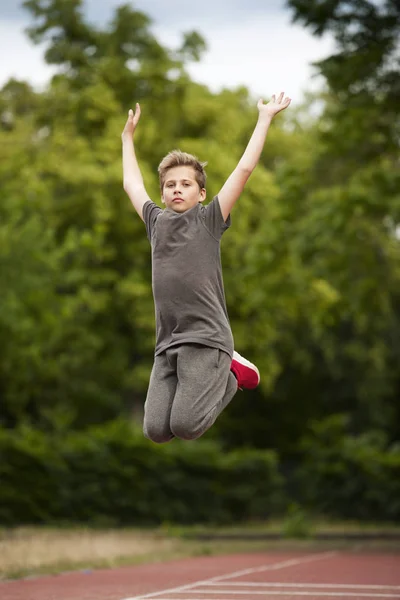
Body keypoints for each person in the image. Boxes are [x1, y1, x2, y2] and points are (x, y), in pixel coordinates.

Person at [121, 92, 291, 443]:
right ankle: (219, 370)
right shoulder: (155, 221)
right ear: (163, 193)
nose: (177, 190)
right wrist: (126, 139)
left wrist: (264, 119)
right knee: (156, 431)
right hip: (167, 342)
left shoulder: (210, 219)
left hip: (206, 338)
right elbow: (131, 185)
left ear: (201, 193)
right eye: (170, 185)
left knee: (186, 426)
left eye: (186, 184)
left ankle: (229, 370)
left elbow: (244, 170)